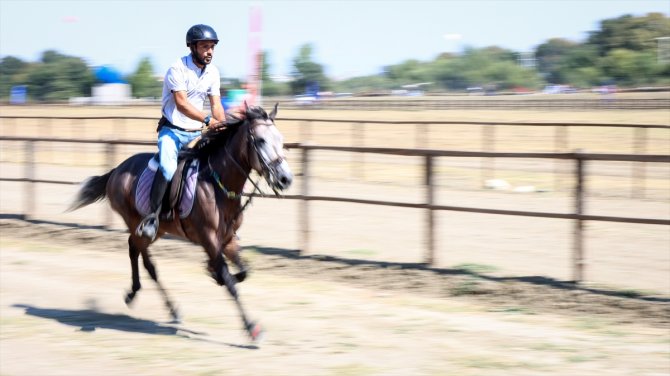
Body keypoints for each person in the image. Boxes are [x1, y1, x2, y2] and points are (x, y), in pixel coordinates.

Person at [136, 24, 226, 240]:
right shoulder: (176, 69)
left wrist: (222, 125)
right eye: (205, 46)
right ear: (192, 47)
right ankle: (152, 218)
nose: (210, 51)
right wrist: (207, 120)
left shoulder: (213, 72)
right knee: (167, 168)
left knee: (219, 164)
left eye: (212, 47)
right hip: (173, 132)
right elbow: (182, 104)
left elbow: (216, 105)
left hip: (196, 133)